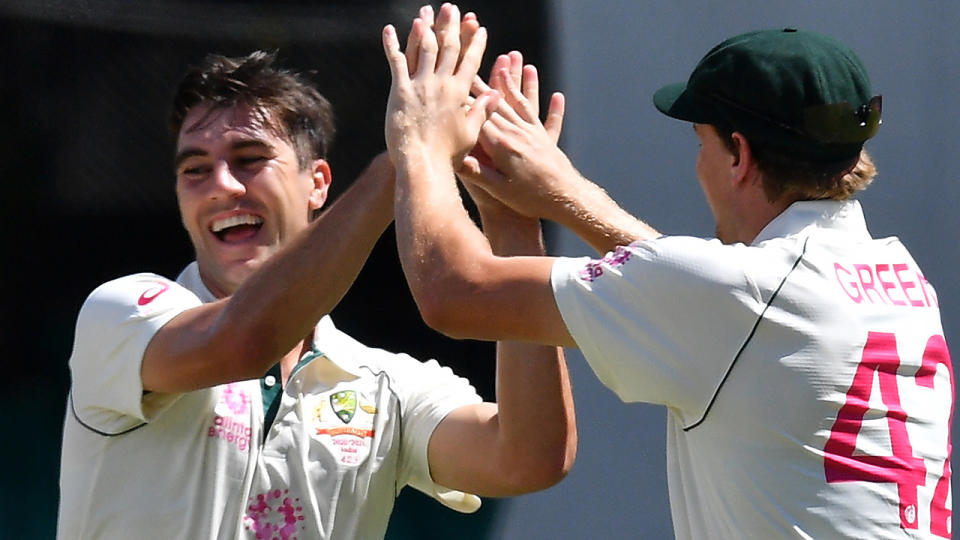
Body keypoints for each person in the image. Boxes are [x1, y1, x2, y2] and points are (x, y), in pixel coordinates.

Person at [383, 4, 953, 538]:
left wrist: (420, 141)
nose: (698, 160)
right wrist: (537, 208)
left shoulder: (744, 296)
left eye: (700, 140)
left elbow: (451, 292)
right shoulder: (899, 277)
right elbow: (712, 301)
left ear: (739, 155)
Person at [57, 47, 576, 539]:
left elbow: (527, 457)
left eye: (249, 158)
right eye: (194, 169)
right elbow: (240, 342)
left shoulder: (385, 385)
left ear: (318, 183)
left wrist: (511, 223)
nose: (222, 184)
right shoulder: (121, 313)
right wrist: (406, 158)